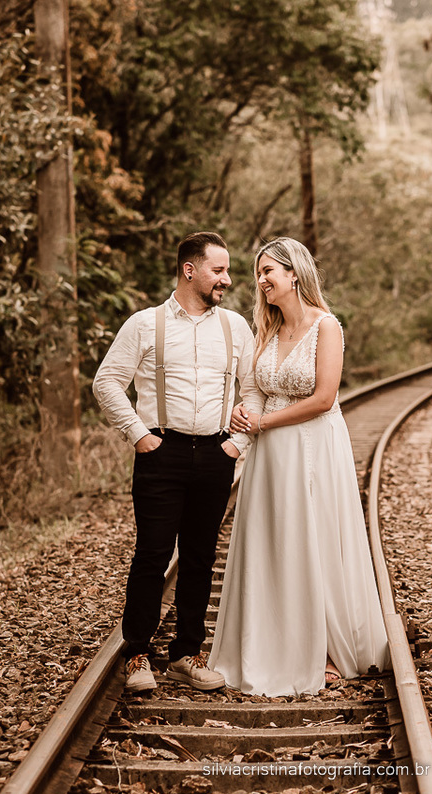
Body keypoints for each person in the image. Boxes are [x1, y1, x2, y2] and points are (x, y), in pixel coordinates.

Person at [210, 237, 390, 696]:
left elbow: (324, 398)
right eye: (259, 273)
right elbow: (256, 389)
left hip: (313, 445)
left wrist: (264, 421)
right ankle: (271, 644)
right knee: (276, 542)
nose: (262, 280)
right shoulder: (266, 329)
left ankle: (326, 649)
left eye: (268, 271)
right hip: (271, 453)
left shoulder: (325, 326)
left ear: (295, 274)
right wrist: (241, 415)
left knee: (315, 538)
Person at [93, 232, 263, 692]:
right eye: (219, 270)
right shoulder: (145, 324)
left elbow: (253, 391)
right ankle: (138, 655)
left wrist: (237, 445)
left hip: (215, 453)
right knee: (151, 554)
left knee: (199, 558)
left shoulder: (235, 327)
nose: (227, 279)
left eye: (227, 271)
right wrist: (139, 434)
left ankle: (187, 655)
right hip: (161, 452)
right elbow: (107, 382)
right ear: (191, 270)